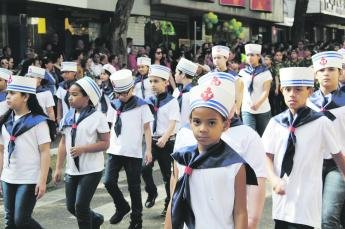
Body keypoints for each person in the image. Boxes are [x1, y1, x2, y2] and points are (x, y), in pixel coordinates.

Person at [170, 71, 266, 229]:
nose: (203, 129)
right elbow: (176, 182)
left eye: (212, 123)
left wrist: (252, 222)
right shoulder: (185, 136)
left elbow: (257, 182)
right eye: (197, 122)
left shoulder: (247, 137)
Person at [262, 67, 345, 229]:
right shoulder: (275, 123)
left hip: (307, 201)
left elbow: (338, 155)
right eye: (288, 89)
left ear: (310, 91)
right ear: (281, 91)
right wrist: (273, 179)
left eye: (298, 89)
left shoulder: (321, 123)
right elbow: (266, 156)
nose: (292, 94)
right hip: (282, 200)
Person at [53, 77, 110, 229]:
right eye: (69, 94)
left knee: (81, 206)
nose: (70, 98)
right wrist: (58, 167)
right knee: (71, 206)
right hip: (72, 170)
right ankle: (96, 219)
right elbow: (63, 142)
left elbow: (105, 143)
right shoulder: (68, 116)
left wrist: (83, 149)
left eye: (75, 94)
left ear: (87, 97)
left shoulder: (98, 117)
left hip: (92, 169)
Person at [0, 75, 53, 228]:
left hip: (29, 178)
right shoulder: (5, 121)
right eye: (8, 93)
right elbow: (1, 150)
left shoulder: (38, 122)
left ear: (26, 97)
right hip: (8, 177)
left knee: (21, 219)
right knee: (10, 221)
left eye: (13, 93)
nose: (8, 97)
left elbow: (45, 152)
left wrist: (42, 180)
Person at [104, 69, 153, 228]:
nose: (122, 96)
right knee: (108, 182)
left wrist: (149, 151)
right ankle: (122, 206)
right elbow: (110, 125)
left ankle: (136, 220)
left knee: (134, 188)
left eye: (125, 92)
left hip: (133, 152)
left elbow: (147, 128)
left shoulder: (142, 105)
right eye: (119, 93)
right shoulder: (114, 104)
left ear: (132, 89)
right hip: (114, 150)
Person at [307, 51, 345, 229]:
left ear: (341, 72)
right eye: (321, 70)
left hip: (339, 165)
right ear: (315, 75)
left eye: (331, 69)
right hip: (313, 164)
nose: (326, 73)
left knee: (328, 218)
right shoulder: (308, 102)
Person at [142, 64, 180, 217]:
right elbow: (147, 124)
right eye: (150, 81)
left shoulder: (172, 101)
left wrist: (165, 138)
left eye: (156, 81)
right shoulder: (148, 101)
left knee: (167, 175)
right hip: (152, 140)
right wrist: (149, 148)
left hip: (167, 142)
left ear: (165, 82)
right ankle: (152, 192)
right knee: (144, 168)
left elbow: (173, 122)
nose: (153, 85)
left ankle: (168, 204)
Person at [239, 43, 272, 136]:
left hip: (263, 109)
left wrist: (257, 104)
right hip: (247, 109)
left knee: (264, 136)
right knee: (249, 136)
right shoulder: (242, 72)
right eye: (248, 55)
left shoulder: (265, 72)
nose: (249, 57)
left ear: (258, 57)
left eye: (252, 55)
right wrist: (237, 107)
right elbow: (240, 90)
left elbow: (266, 91)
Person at [212, 45, 243, 115]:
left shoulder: (235, 77)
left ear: (226, 58)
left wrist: (237, 110)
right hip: (214, 111)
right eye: (214, 58)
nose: (216, 60)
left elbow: (238, 97)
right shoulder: (210, 76)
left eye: (219, 58)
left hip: (230, 112)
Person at [172, 58, 198, 127]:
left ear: (183, 74)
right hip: (174, 129)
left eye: (176, 72)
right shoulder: (176, 91)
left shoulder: (195, 92)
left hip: (189, 130)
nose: (174, 75)